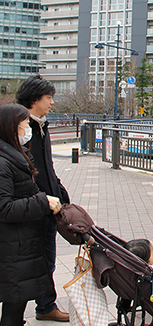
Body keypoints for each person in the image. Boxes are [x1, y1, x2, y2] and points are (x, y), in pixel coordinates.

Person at [0, 103, 62, 326]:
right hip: (12, 243)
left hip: (21, 241)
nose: (29, 128)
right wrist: (42, 201)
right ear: (12, 127)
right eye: (25, 123)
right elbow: (4, 208)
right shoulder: (3, 162)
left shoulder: (15, 154)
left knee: (17, 299)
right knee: (14, 301)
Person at [16, 75, 70, 322]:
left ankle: (45, 305)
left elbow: (47, 167)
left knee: (47, 258)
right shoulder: (20, 129)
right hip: (31, 207)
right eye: (49, 97)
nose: (52, 103)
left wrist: (59, 192)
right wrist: (40, 199)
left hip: (48, 205)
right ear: (34, 98)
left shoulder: (41, 125)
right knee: (28, 262)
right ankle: (22, 310)